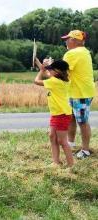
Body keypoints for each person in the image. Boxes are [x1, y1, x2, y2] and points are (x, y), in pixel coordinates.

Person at [61, 30, 96, 159]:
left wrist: (46, 68)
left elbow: (61, 72)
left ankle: (85, 150)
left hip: (79, 93)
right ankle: (70, 143)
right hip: (80, 91)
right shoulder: (84, 51)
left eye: (67, 39)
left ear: (75, 40)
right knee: (72, 118)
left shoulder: (72, 53)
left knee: (82, 121)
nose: (65, 41)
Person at [34, 59, 74, 168]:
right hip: (57, 113)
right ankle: (56, 162)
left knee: (62, 141)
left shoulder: (55, 82)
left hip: (61, 114)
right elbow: (47, 72)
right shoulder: (63, 79)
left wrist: (40, 71)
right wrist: (39, 64)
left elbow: (37, 81)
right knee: (52, 136)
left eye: (51, 69)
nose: (49, 71)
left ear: (56, 72)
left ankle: (71, 165)